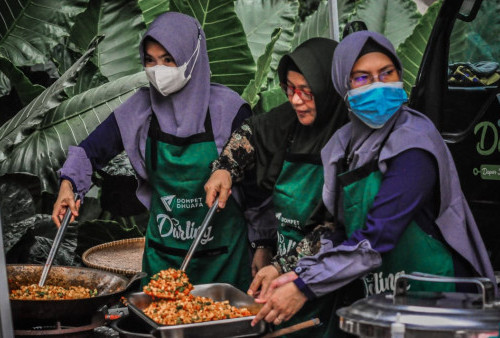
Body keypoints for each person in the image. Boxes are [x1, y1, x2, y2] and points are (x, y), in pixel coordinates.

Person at [249, 30, 496, 332]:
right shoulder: (342, 146)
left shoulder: (415, 141)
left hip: (438, 296)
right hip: (386, 295)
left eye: (386, 73)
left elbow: (378, 236)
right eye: (362, 78)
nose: (377, 85)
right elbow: (340, 230)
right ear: (344, 85)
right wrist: (291, 271)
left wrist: (304, 287)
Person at [51, 12, 274, 291]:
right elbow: (91, 150)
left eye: (168, 59)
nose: (159, 70)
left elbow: (256, 188)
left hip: (225, 260)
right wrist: (69, 184)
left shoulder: (228, 110)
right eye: (150, 60)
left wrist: (264, 243)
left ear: (191, 57)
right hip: (163, 259)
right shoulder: (139, 110)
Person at [204, 38, 348, 337]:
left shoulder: (353, 141)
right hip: (284, 261)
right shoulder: (288, 121)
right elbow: (252, 132)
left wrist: (282, 266)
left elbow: (338, 229)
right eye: (290, 89)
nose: (295, 100)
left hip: (328, 277)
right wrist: (224, 168)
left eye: (307, 92)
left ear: (329, 89)